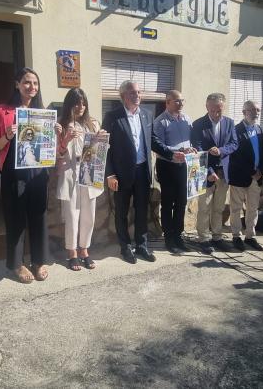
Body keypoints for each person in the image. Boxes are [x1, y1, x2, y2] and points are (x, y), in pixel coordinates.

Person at [0, 67, 62, 283]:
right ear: (17, 85)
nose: (32, 87)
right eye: (27, 82)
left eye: (35, 83)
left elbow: (50, 149)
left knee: (39, 217)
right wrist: (7, 135)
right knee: (15, 219)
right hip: (13, 173)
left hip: (38, 172)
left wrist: (56, 134)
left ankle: (39, 261)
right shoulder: (1, 111)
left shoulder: (44, 113)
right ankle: (17, 264)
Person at [103, 80, 168, 264]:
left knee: (142, 210)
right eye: (132, 92)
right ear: (123, 96)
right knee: (121, 212)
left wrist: (172, 153)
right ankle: (125, 247)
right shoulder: (112, 116)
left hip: (142, 171)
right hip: (121, 174)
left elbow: (153, 141)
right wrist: (110, 174)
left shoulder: (147, 115)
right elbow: (105, 147)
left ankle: (142, 245)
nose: (137, 95)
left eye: (139, 92)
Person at [56, 88, 104, 271]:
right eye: (76, 103)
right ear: (69, 104)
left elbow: (99, 150)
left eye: (83, 103)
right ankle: (72, 252)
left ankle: (84, 250)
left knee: (89, 214)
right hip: (70, 168)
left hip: (89, 168)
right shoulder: (61, 124)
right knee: (71, 214)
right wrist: (66, 139)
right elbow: (57, 154)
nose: (80, 106)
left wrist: (100, 139)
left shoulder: (93, 123)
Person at [190, 93, 239, 254]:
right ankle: (203, 238)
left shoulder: (229, 123)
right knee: (204, 207)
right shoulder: (198, 124)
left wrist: (221, 150)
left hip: (223, 172)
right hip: (205, 171)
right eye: (213, 110)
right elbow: (197, 149)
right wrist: (209, 171)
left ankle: (217, 237)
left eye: (219, 110)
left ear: (223, 107)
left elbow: (234, 143)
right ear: (207, 107)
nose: (216, 114)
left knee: (218, 207)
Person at [152, 90, 195, 254]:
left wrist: (190, 149)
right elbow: (159, 147)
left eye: (182, 100)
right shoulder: (160, 122)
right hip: (167, 165)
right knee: (168, 203)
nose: (180, 104)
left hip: (184, 166)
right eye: (177, 101)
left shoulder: (186, 119)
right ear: (167, 102)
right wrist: (178, 151)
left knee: (181, 202)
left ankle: (178, 235)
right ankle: (169, 237)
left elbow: (189, 141)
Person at [228, 101, 263, 251]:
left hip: (257, 178)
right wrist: (252, 172)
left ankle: (250, 236)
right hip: (239, 176)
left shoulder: (261, 131)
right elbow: (235, 156)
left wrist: (261, 171)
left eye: (257, 110)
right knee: (236, 208)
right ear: (244, 112)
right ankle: (236, 236)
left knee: (253, 208)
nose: (255, 112)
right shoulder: (235, 131)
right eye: (252, 110)